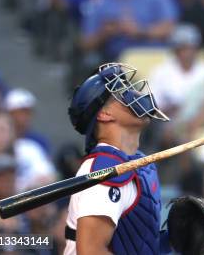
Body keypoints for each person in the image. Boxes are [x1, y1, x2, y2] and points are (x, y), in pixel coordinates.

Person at [64, 62, 170, 254]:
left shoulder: (139, 163)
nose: (134, 94)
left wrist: (174, 242)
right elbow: (91, 251)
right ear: (104, 114)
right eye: (121, 92)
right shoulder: (104, 171)